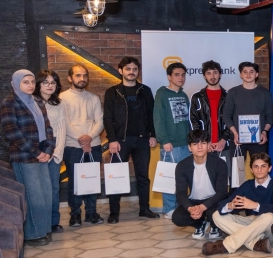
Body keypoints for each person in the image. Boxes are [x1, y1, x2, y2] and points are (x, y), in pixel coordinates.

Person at [0, 70, 55, 245]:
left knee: (46, 194)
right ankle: (34, 234)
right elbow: (12, 133)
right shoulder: (9, 103)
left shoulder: (37, 101)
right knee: (33, 197)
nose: (30, 85)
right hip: (24, 156)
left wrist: (48, 149)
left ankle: (44, 229)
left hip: (43, 154)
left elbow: (48, 127)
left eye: (32, 81)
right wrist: (36, 152)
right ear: (16, 83)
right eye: (26, 82)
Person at [104, 56, 159, 223]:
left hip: (142, 140)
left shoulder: (145, 90)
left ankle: (144, 209)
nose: (131, 72)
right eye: (128, 69)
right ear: (120, 71)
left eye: (135, 69)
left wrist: (153, 134)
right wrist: (112, 139)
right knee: (116, 175)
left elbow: (152, 114)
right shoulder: (112, 92)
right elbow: (108, 118)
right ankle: (114, 212)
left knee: (143, 176)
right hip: (121, 140)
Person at [204, 152, 273, 256]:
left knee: (270, 216)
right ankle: (256, 243)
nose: (259, 170)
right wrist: (230, 205)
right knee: (216, 215)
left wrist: (256, 206)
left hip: (268, 226)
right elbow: (225, 202)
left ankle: (225, 245)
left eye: (263, 166)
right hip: (251, 223)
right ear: (251, 170)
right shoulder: (247, 185)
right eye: (256, 167)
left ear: (269, 168)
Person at [59, 65, 104, 226]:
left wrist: (89, 137)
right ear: (70, 78)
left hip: (94, 145)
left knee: (92, 180)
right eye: (78, 75)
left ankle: (91, 213)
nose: (82, 79)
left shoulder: (93, 98)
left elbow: (100, 121)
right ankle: (75, 215)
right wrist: (82, 140)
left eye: (85, 75)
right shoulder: (62, 98)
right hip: (72, 146)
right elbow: (64, 123)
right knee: (74, 182)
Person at [172, 129, 229, 239]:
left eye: (203, 143)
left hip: (214, 200)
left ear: (208, 145)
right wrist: (190, 208)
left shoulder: (220, 164)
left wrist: (203, 207)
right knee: (177, 217)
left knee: (214, 214)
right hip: (194, 201)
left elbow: (222, 192)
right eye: (195, 144)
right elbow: (181, 194)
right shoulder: (182, 166)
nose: (199, 147)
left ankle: (215, 226)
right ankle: (200, 224)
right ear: (189, 147)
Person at [153, 62, 192, 218]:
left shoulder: (183, 95)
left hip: (185, 144)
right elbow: (158, 119)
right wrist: (164, 140)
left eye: (183, 75)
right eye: (176, 75)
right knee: (169, 177)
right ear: (169, 77)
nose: (180, 77)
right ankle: (169, 209)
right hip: (170, 144)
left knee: (183, 178)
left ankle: (181, 206)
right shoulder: (162, 94)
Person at [223, 61, 273, 162]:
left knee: (260, 167)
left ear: (256, 74)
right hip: (237, 139)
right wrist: (235, 133)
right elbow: (226, 116)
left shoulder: (265, 93)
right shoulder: (232, 92)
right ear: (240, 75)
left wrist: (264, 132)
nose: (248, 74)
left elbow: (270, 116)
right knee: (237, 170)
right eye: (245, 72)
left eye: (251, 71)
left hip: (259, 139)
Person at [37, 70, 67, 234]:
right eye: (46, 82)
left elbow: (62, 129)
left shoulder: (59, 103)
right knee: (39, 189)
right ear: (39, 84)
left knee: (54, 188)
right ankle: (41, 223)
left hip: (55, 149)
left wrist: (57, 152)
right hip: (37, 150)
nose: (49, 85)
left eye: (53, 82)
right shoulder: (32, 102)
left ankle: (54, 222)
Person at [190, 60, 229, 163]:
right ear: (204, 76)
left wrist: (223, 140)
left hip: (225, 146)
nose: (212, 76)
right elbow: (193, 122)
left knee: (225, 173)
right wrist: (204, 142)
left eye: (215, 72)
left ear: (220, 74)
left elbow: (232, 120)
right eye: (208, 73)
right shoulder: (197, 97)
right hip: (204, 148)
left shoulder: (229, 96)